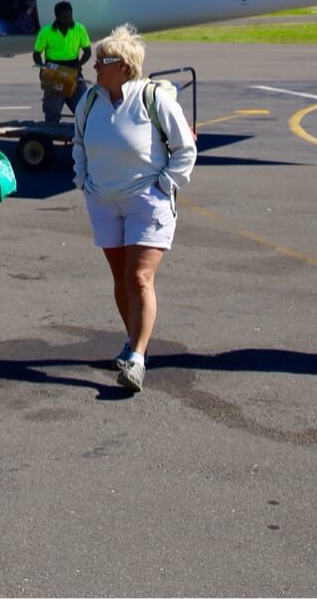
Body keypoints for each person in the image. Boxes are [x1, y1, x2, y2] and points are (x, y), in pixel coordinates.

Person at [69, 24, 196, 393]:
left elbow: (185, 148)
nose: (94, 68)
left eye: (102, 62)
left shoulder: (153, 98)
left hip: (146, 201)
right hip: (103, 200)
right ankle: (131, 339)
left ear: (123, 66)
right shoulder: (90, 101)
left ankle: (136, 358)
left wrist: (165, 186)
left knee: (139, 277)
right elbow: (78, 142)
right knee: (121, 278)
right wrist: (83, 180)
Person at [31, 1, 91, 124]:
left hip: (73, 72)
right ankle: (49, 135)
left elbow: (87, 52)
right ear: (57, 17)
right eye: (64, 17)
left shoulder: (80, 29)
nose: (68, 20)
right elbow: (36, 54)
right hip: (54, 74)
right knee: (52, 111)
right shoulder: (45, 32)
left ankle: (85, 135)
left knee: (85, 107)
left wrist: (79, 65)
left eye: (70, 16)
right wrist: (43, 67)